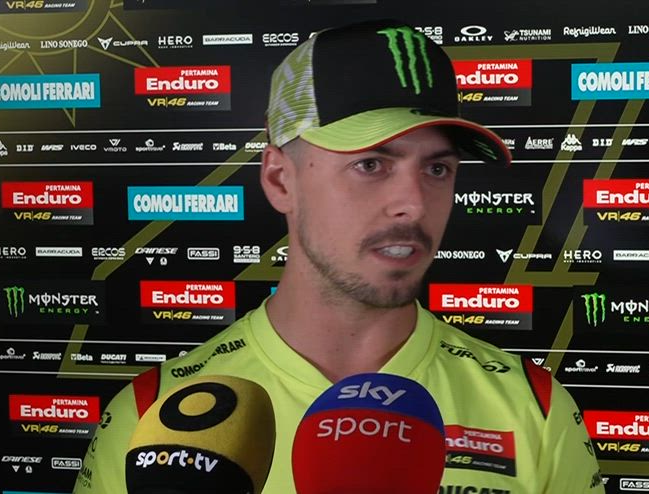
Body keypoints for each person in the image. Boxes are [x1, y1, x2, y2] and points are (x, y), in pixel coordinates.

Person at [74, 19, 604, 494]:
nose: (414, 203)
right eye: (371, 164)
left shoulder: (534, 408)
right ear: (280, 180)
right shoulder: (156, 419)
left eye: (437, 169)